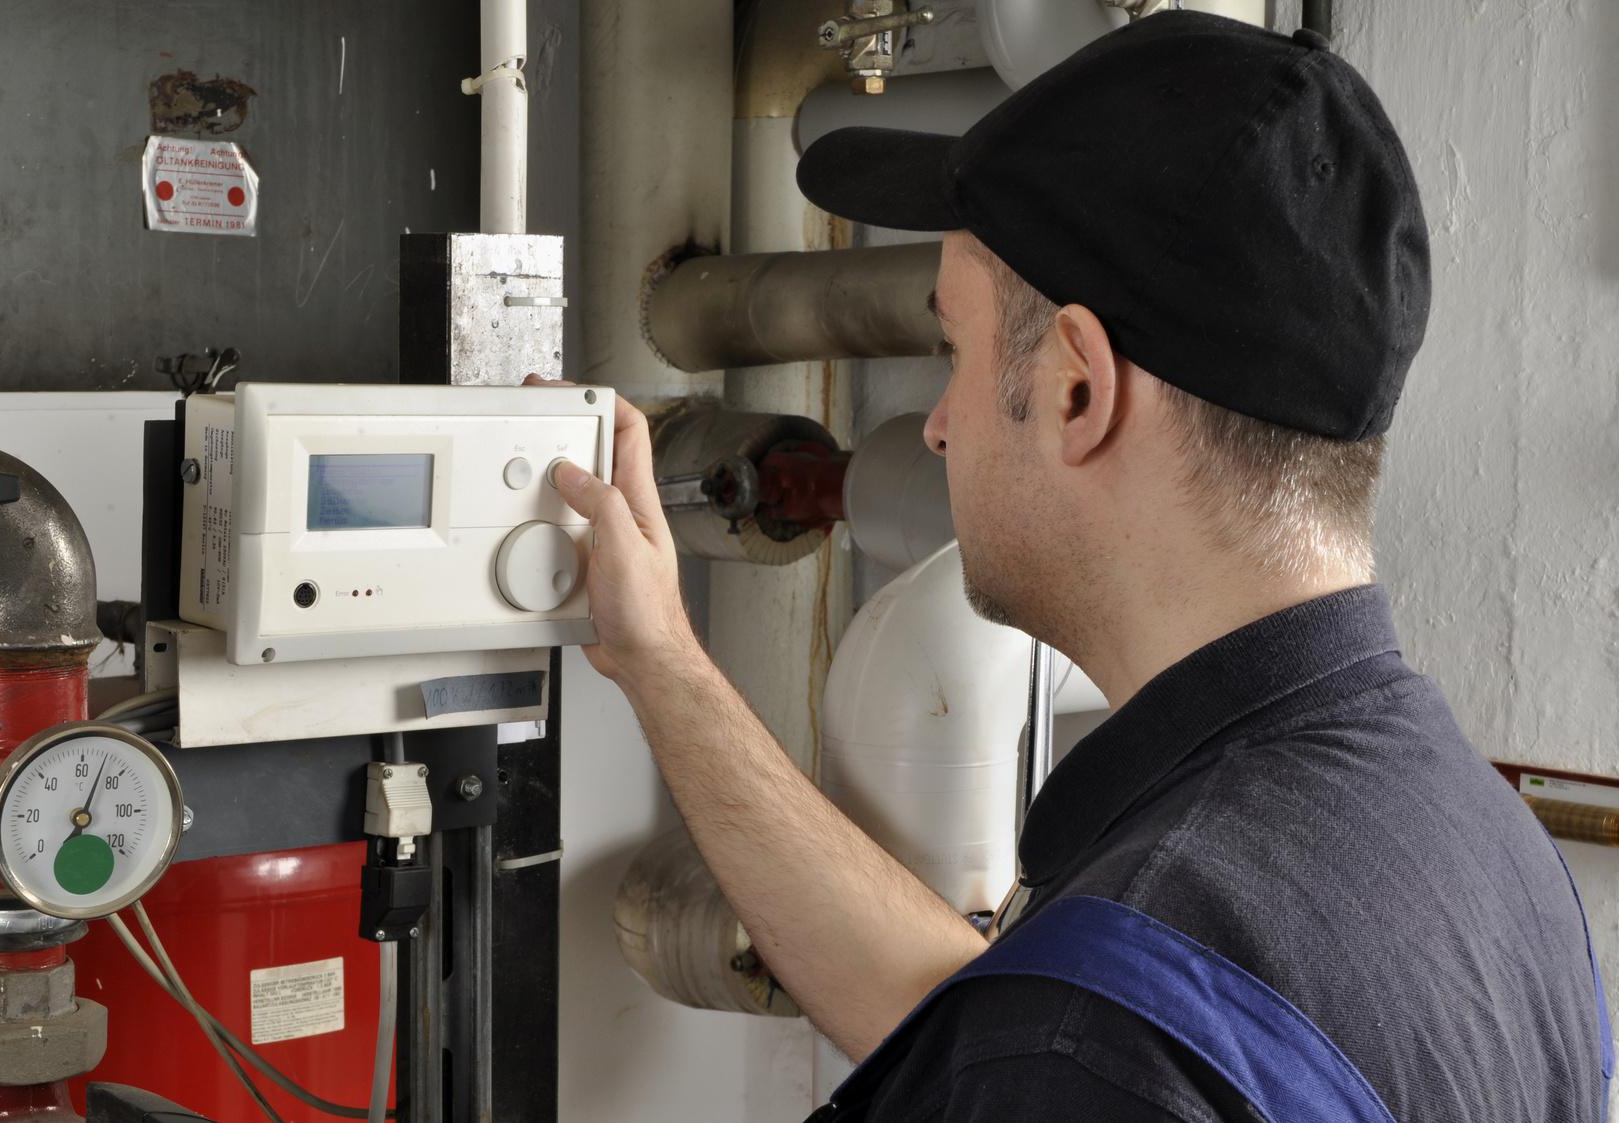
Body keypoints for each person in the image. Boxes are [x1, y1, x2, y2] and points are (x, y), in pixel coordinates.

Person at [544, 11, 1611, 1122]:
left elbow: (1065, 1049)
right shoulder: (1489, 864)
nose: (942, 427)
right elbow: (987, 1020)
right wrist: (662, 659)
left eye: (951, 351)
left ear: (1075, 391)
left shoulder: (1096, 1049)